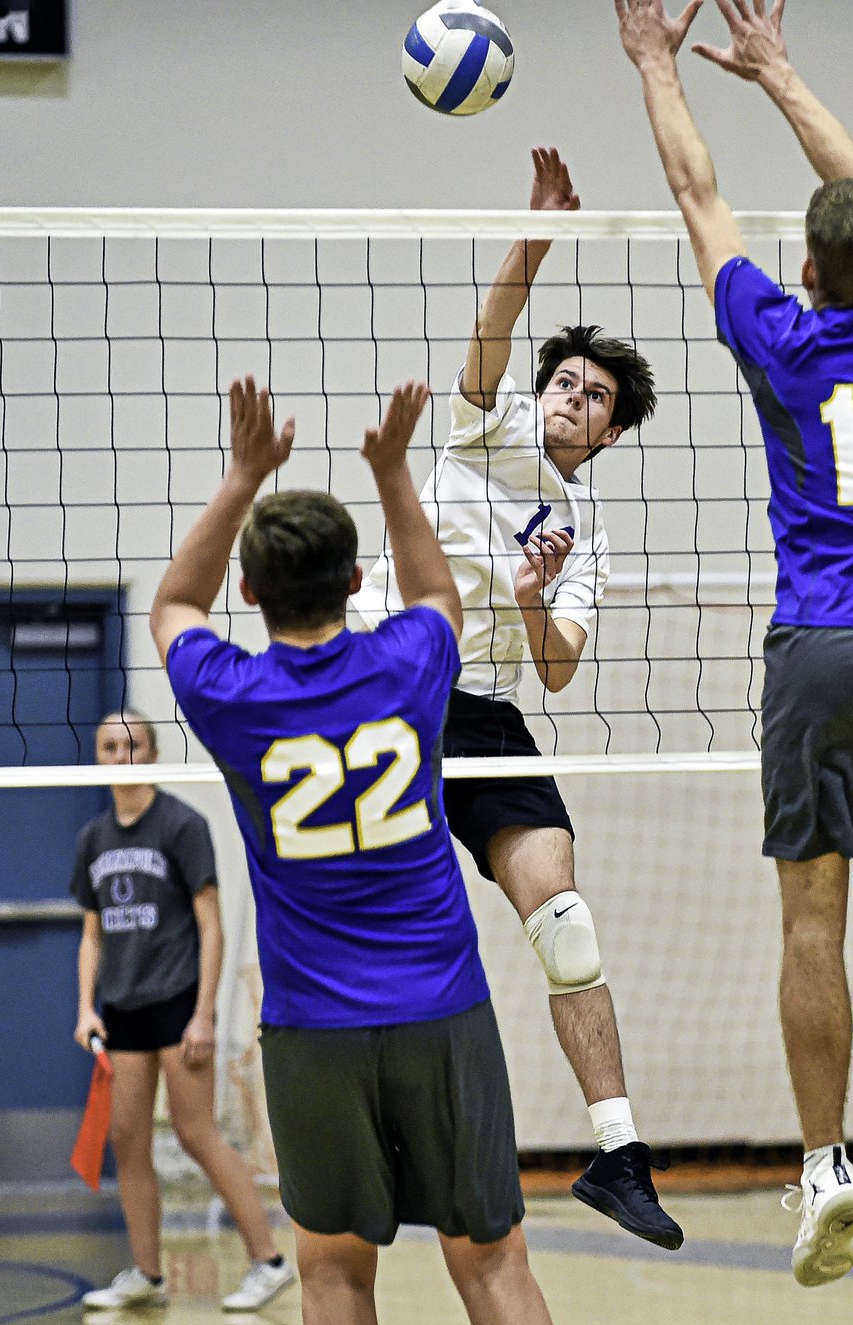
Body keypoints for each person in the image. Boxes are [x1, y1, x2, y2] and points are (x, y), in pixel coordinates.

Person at [616, 0, 853, 1289]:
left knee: (813, 925)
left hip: (818, 650)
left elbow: (696, 190)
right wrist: (779, 68)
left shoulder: (784, 338)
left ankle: (826, 1170)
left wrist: (659, 65)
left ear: (805, 272)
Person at [150, 376, 558, 1325]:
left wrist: (246, 474)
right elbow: (434, 592)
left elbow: (172, 602)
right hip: (441, 1009)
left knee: (332, 1272)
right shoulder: (411, 661)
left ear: (250, 594)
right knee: (494, 1259)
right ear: (350, 586)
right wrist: (391, 471)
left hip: (314, 1025)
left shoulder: (232, 695)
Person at [351, 147, 681, 1251]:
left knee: (566, 923)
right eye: (565, 381)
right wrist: (536, 230)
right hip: (389, 698)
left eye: (593, 397)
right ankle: (379, 1135)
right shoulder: (478, 431)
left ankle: (618, 1153)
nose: (571, 400)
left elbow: (557, 668)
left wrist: (539, 600)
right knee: (384, 930)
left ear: (611, 433)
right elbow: (495, 331)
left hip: (487, 716)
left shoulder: (589, 533)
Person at [72, 710, 294, 1313]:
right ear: (99, 757)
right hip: (122, 1009)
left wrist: (204, 1015)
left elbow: (211, 927)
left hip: (177, 1002)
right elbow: (92, 933)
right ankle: (147, 1273)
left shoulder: (182, 825)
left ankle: (268, 1261)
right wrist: (86, 1007)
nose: (123, 757)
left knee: (197, 1134)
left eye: (134, 745)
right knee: (128, 1139)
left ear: (154, 752)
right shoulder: (93, 839)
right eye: (111, 747)